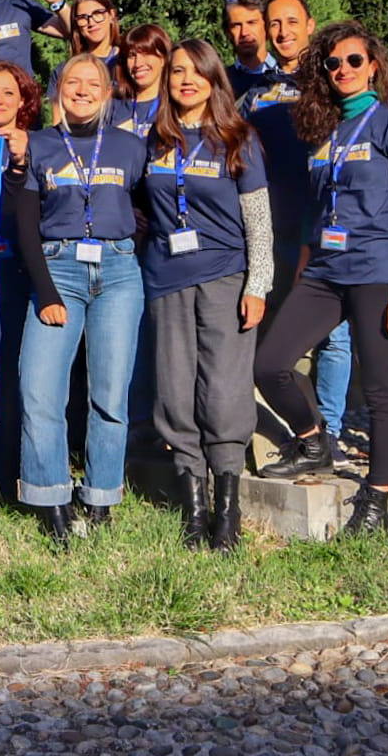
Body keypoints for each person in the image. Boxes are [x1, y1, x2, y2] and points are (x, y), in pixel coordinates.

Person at [253, 24, 388, 535]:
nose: (343, 70)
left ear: (373, 65)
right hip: (325, 271)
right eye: (333, 63)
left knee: (378, 391)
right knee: (269, 364)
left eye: (353, 61)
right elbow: (318, 204)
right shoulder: (323, 129)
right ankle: (313, 442)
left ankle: (377, 499)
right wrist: (306, 256)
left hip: (376, 272)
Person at [141, 40, 272, 553]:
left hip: (225, 278)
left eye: (197, 72)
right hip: (165, 280)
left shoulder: (239, 139)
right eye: (177, 72)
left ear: (215, 80)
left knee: (223, 392)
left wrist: (258, 284)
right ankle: (193, 506)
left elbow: (259, 222)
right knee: (174, 393)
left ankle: (227, 507)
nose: (186, 81)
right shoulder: (152, 141)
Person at [15, 54, 147, 543]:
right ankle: (51, 497)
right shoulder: (41, 146)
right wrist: (46, 290)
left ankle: (101, 497)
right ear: (59, 92)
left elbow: (150, 209)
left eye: (94, 83)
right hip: (58, 270)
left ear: (108, 94)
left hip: (117, 274)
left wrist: (126, 248)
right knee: (40, 390)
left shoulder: (132, 148)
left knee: (109, 394)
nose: (84, 90)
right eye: (74, 82)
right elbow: (26, 224)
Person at [238, 0, 355, 464]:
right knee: (280, 337)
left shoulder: (333, 81)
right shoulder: (255, 93)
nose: (283, 32)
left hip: (328, 226)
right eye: (274, 23)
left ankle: (335, 433)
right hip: (272, 226)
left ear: (310, 25)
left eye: (291, 22)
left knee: (333, 338)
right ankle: (305, 433)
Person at [0, 61, 65, 513]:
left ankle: (14, 480)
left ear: (25, 100)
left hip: (26, 278)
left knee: (21, 381)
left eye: (8, 93)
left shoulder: (44, 149)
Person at [47, 0, 119, 122]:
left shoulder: (129, 64)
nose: (91, 23)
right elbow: (57, 122)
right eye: (83, 18)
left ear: (111, 15)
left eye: (98, 14)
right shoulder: (65, 70)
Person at [109, 23, 172, 138]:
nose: (138, 64)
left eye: (146, 54)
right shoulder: (114, 106)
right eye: (132, 56)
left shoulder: (173, 106)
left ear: (163, 59)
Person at [221, 0, 276, 98]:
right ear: (228, 32)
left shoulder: (289, 76)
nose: (244, 32)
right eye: (236, 25)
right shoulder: (221, 83)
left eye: (251, 23)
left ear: (266, 26)